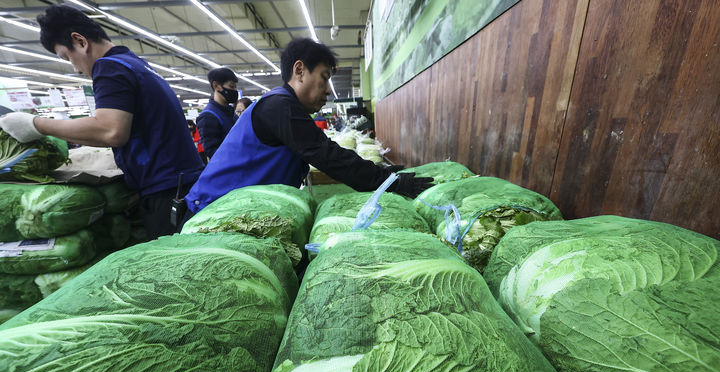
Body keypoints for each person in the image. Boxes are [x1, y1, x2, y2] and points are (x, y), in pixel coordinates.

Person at [0, 5, 203, 240]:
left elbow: (111, 131)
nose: (75, 69)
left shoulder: (109, 68)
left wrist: (35, 124)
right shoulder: (134, 64)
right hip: (180, 185)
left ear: (80, 41)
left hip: (166, 191)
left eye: (68, 58)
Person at [183, 38, 432, 218]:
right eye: (324, 78)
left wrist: (383, 174)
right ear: (299, 70)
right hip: (210, 211)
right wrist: (391, 183)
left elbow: (326, 152)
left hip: (231, 210)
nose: (327, 90)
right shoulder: (279, 106)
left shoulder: (284, 106)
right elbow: (328, 156)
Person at [197, 67, 238, 159]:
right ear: (216, 86)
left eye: (235, 87)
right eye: (231, 86)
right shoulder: (208, 117)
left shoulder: (230, 113)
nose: (235, 90)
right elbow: (212, 151)